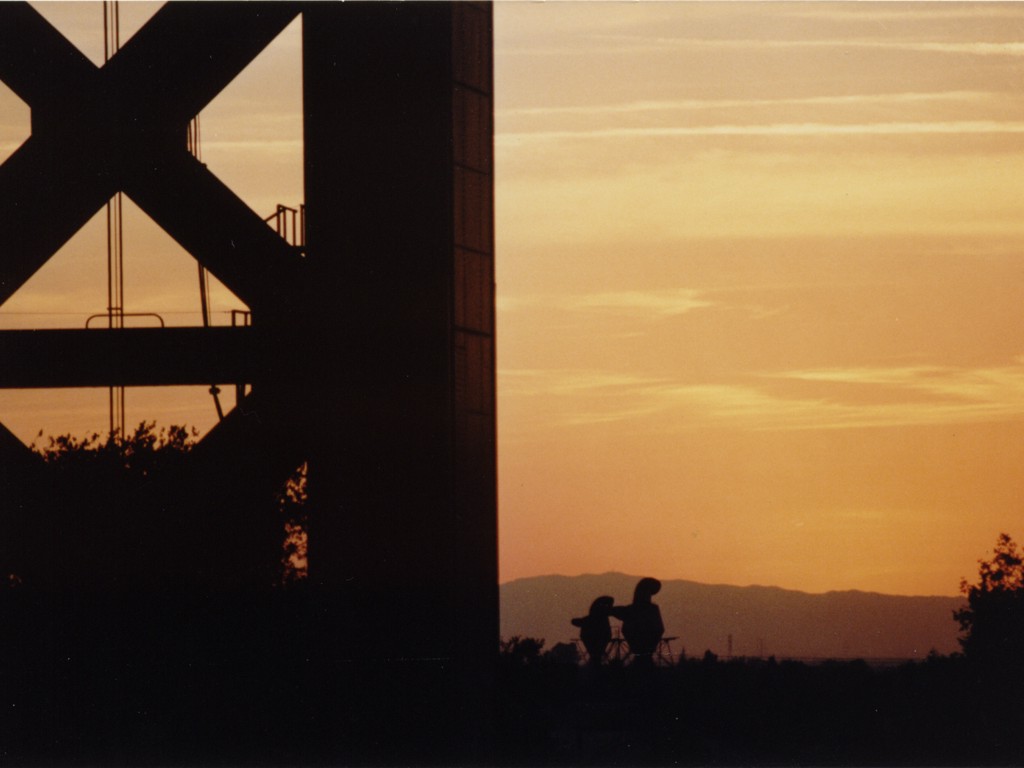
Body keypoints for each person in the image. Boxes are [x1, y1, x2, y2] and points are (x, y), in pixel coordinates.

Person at [611, 577, 664, 664]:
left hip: (640, 652)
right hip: (647, 653)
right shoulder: (650, 610)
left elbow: (658, 629)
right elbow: (659, 629)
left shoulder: (632, 610)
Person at [571, 595, 614, 666]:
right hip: (600, 638)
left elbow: (575, 622)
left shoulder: (592, 620)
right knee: (596, 657)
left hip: (594, 638)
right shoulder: (600, 620)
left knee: (596, 657)